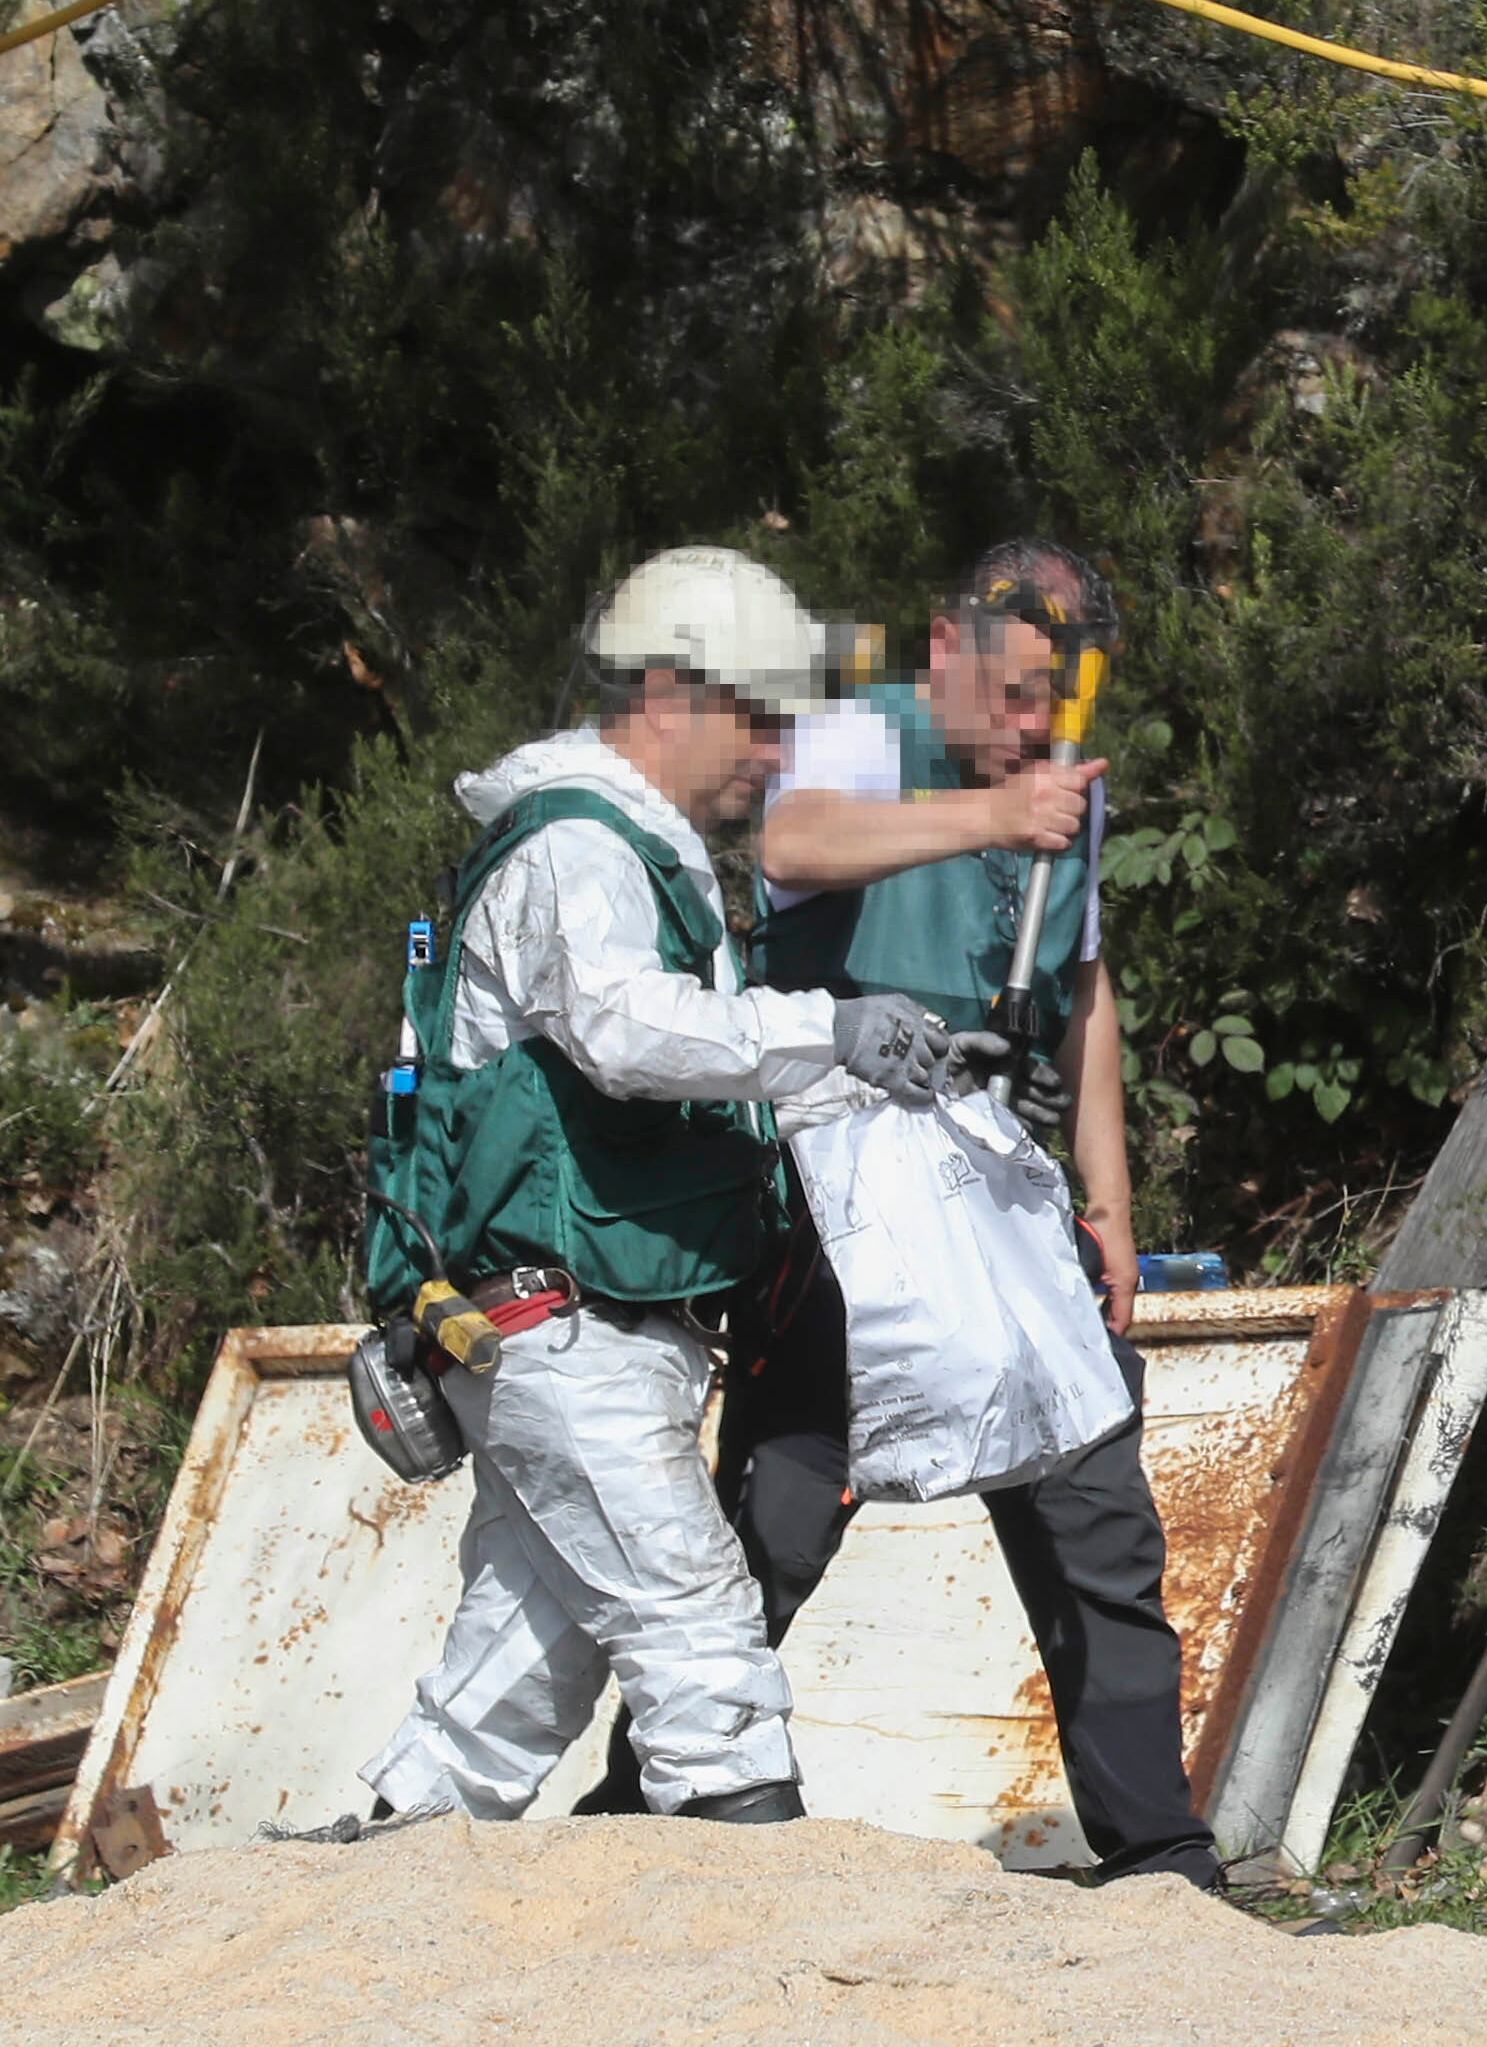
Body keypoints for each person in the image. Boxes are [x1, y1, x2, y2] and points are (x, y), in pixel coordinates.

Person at [577, 539, 1222, 1886]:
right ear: (947, 646)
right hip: (840, 1171)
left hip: (1000, 1175)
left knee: (1094, 1502)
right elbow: (794, 841)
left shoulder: (1059, 793)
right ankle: (645, 1813)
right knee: (783, 1515)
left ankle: (1160, 1850)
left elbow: (1084, 990)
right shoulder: (856, 740)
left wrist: (1109, 1203)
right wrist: (995, 816)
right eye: (1016, 688)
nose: (1033, 723)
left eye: (1058, 699)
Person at [362, 545, 970, 1823]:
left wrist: (876, 1074)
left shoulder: (639, 852)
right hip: (559, 1326)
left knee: (521, 1662)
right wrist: (830, 1026)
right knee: (697, 1628)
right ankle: (756, 1929)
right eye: (756, 719)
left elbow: (688, 1088)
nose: (772, 754)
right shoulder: (578, 848)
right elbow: (628, 1034)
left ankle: (361, 1879)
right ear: (664, 690)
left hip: (592, 1324)